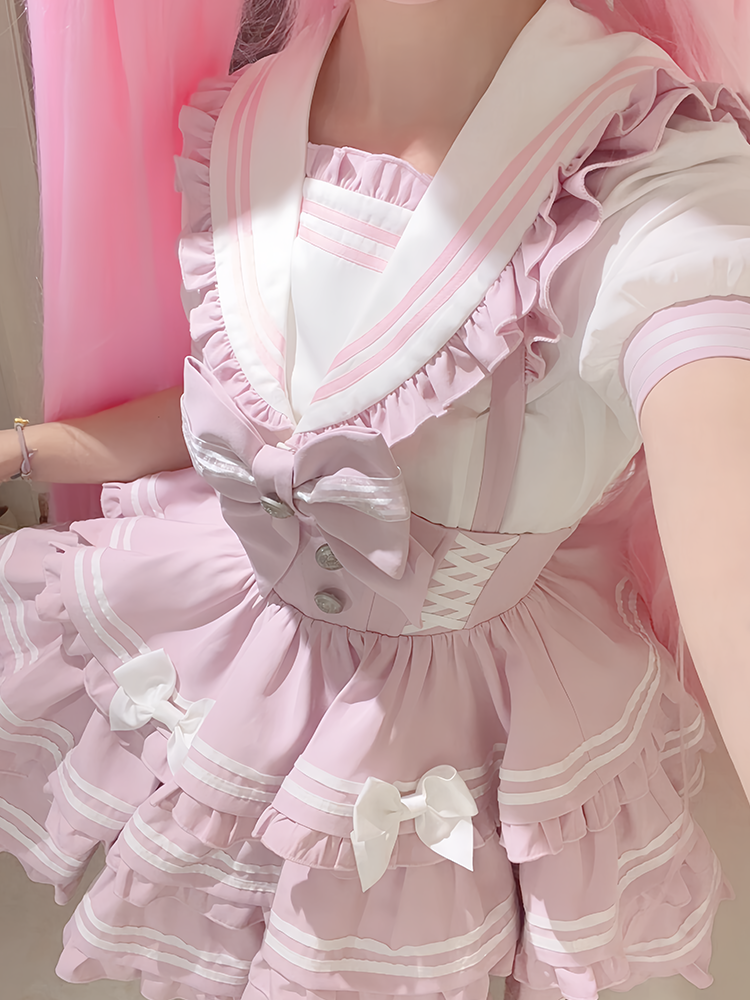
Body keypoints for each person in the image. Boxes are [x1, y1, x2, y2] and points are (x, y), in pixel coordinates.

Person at [1, 0, 750, 997]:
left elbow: (701, 329)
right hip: (226, 644)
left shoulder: (646, 172)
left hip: (459, 726)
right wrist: (27, 451)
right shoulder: (256, 100)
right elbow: (241, 416)